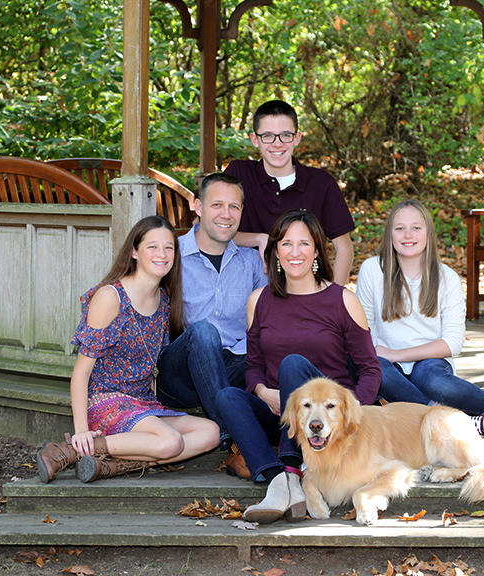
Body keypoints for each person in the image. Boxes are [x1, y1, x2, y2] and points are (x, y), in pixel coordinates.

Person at [215, 209, 380, 523]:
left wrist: (353, 411)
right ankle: (281, 480)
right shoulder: (259, 300)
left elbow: (370, 368)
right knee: (227, 397)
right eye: (286, 244)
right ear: (275, 251)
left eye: (303, 244)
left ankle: (292, 470)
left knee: (292, 366)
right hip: (282, 416)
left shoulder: (343, 300)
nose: (294, 252)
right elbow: (254, 367)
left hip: (326, 421)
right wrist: (263, 392)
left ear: (316, 250)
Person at [36, 216, 220, 483]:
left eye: (169, 247)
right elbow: (80, 372)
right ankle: (75, 451)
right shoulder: (111, 297)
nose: (162, 254)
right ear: (134, 252)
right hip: (105, 400)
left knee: (211, 433)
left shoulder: (165, 299)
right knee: (171, 443)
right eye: (152, 246)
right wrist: (81, 431)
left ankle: (109, 466)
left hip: (142, 404)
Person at [356, 199, 484, 438]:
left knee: (432, 380)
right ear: (390, 234)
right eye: (400, 228)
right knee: (376, 372)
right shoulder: (373, 270)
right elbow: (363, 330)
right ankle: (458, 424)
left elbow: (453, 342)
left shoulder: (447, 277)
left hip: (429, 362)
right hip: (386, 365)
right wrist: (385, 357)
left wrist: (398, 354)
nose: (408, 234)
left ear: (428, 233)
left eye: (416, 227)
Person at [155, 173, 267, 479]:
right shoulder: (171, 254)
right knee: (205, 332)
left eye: (234, 207)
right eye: (217, 204)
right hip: (180, 372)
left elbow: (265, 323)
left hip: (231, 369)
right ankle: (234, 440)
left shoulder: (251, 262)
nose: (226, 214)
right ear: (197, 206)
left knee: (277, 362)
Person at [224, 99, 356, 285]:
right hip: (246, 288)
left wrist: (332, 299)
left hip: (305, 291)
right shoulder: (238, 174)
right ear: (255, 139)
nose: (277, 144)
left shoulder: (321, 183)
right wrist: (258, 239)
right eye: (268, 135)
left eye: (285, 135)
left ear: (297, 137)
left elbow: (344, 248)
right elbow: (209, 228)